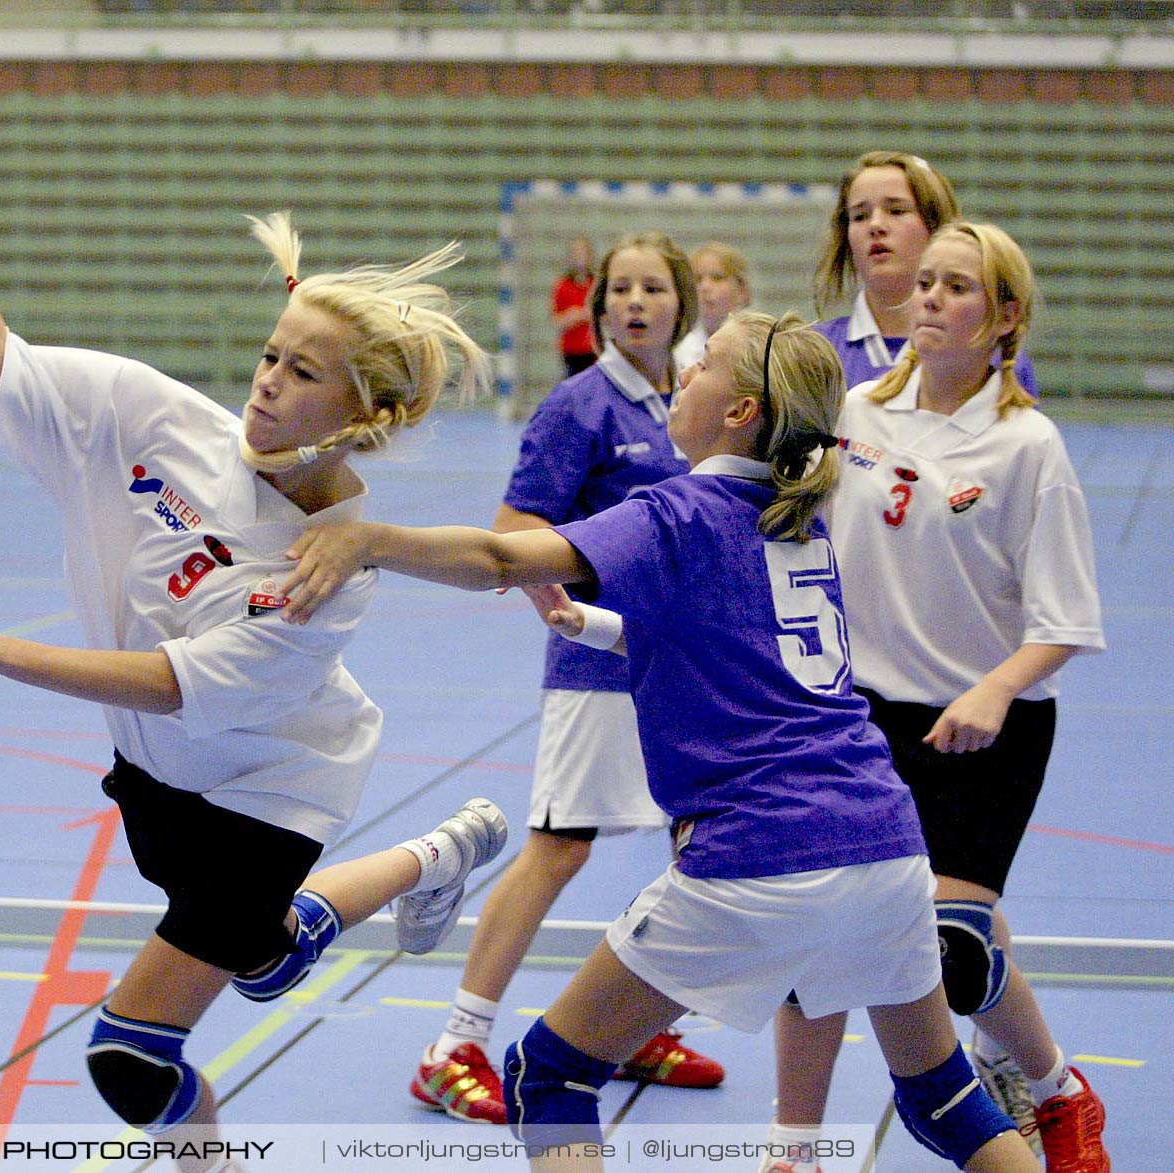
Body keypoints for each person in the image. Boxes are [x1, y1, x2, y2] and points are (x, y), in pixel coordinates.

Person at [0, 126, 507, 1173]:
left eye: (303, 375)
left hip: (266, 795)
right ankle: (446, 852)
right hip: (160, 780)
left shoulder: (329, 575)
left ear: (362, 415)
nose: (266, 384)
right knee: (263, 962)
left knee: (131, 1056)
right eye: (269, 356)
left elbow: (169, 685)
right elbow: (0, 367)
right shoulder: (159, 421)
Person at [277, 310, 1042, 1173]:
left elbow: (498, 557)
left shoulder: (681, 510)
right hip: (886, 843)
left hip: (759, 851)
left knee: (549, 1075)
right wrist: (598, 628)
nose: (685, 367)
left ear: (739, 410)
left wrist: (367, 538)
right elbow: (737, 652)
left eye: (705, 360)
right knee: (942, 1101)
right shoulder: (795, 518)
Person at [763, 224, 1110, 1173]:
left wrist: (995, 691)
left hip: (981, 728)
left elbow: (1065, 620)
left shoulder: (1026, 444)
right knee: (819, 935)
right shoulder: (861, 415)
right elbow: (796, 541)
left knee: (952, 951)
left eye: (956, 287)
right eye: (924, 284)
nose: (928, 300)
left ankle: (1055, 1089)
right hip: (859, 722)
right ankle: (795, 1152)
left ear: (1003, 317)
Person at [408, 230, 724, 1129]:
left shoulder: (694, 396)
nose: (633, 302)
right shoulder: (581, 406)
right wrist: (565, 612)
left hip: (680, 663)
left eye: (651, 288)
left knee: (689, 842)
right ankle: (455, 1044)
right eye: (619, 288)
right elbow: (514, 526)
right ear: (600, 309)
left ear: (680, 306)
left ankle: (639, 1018)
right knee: (562, 844)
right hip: (598, 665)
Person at [811, 150, 1036, 395]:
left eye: (896, 211)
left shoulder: (990, 354)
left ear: (937, 225)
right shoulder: (814, 352)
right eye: (860, 216)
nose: (875, 225)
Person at [673, 240, 752, 372]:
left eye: (717, 278)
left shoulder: (759, 345)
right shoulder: (678, 350)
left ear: (742, 290)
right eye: (697, 279)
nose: (705, 287)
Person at [551, 236, 598, 380]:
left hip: (593, 349)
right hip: (571, 350)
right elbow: (556, 320)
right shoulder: (562, 285)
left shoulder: (596, 283)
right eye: (576, 254)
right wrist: (572, 316)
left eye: (583, 253)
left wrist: (587, 314)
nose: (580, 258)